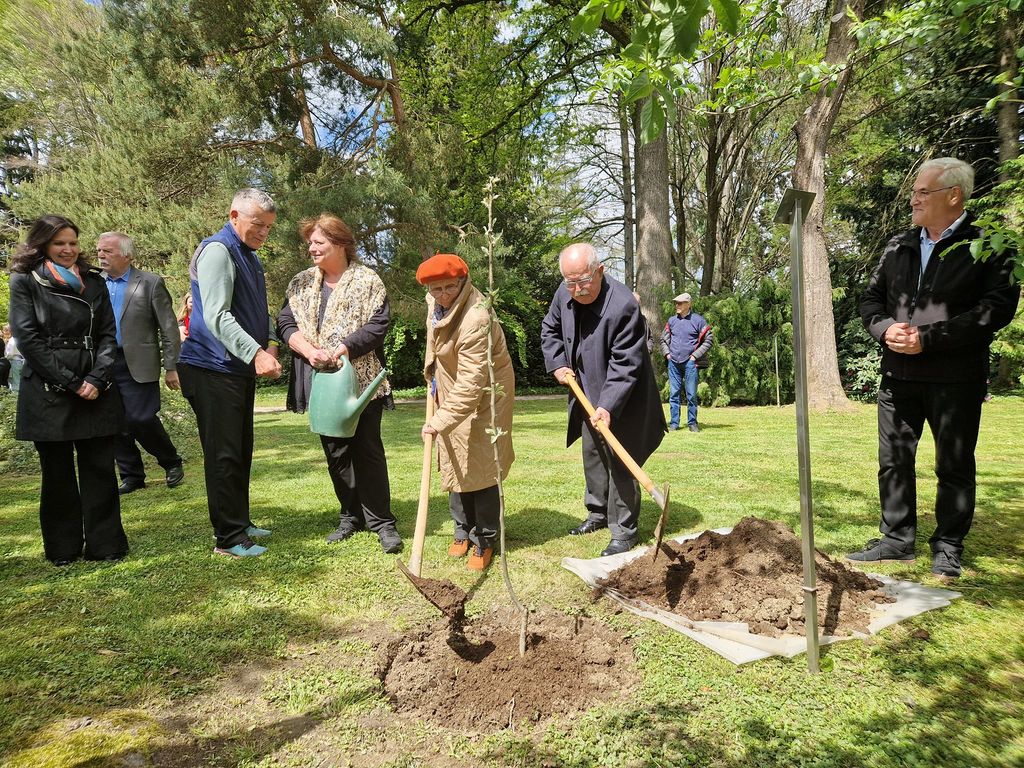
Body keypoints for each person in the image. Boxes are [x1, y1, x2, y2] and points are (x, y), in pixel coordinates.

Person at [849, 157, 1020, 579]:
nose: (913, 199)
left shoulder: (990, 244)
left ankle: (948, 547)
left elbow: (995, 309)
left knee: (953, 465)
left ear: (954, 195)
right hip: (897, 376)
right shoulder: (898, 245)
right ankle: (896, 540)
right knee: (893, 460)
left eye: (923, 192)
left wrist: (929, 338)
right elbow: (870, 300)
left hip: (955, 379)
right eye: (914, 192)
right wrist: (885, 329)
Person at [7, 215, 128, 565]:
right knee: (57, 472)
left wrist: (97, 379)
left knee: (100, 468)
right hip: (49, 388)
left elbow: (108, 335)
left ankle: (106, 544)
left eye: (73, 242)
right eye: (59, 243)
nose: (68, 249)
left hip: (96, 383)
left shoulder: (94, 281)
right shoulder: (25, 280)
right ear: (43, 244)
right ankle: (63, 547)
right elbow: (27, 338)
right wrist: (72, 382)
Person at [277, 213, 401, 554]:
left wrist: (345, 347)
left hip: (361, 381)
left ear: (341, 243)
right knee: (336, 453)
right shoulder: (301, 283)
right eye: (310, 243)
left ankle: (382, 522)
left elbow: (378, 325)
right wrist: (308, 350)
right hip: (321, 382)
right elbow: (285, 322)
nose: (311, 248)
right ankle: (350, 516)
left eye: (319, 242)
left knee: (368, 450)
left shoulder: (368, 280)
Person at [541, 243, 666, 556]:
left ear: (600, 271)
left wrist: (607, 405)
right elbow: (550, 329)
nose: (578, 289)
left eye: (584, 280)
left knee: (621, 458)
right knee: (593, 453)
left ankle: (624, 531)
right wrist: (558, 364)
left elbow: (626, 365)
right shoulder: (564, 292)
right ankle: (597, 512)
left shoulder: (623, 305)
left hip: (624, 395)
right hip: (585, 389)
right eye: (571, 282)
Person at [177, 189, 282, 558]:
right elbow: (216, 315)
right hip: (211, 367)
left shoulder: (249, 256)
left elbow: (257, 310)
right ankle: (229, 538)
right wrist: (255, 353)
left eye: (268, 227)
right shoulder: (219, 251)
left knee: (240, 450)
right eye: (257, 224)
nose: (263, 232)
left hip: (235, 370)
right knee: (223, 454)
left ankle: (240, 520)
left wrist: (270, 341)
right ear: (234, 215)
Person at [417, 253, 515, 571]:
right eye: (436, 289)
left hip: (487, 393)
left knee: (481, 464)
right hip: (450, 384)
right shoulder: (434, 303)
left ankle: (485, 538)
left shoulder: (477, 317)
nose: (444, 294)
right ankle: (463, 529)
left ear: (463, 281)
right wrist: (431, 374)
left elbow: (472, 384)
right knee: (454, 459)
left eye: (450, 287)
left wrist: (438, 421)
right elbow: (434, 340)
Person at [96, 232, 185, 495]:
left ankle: (171, 461)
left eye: (107, 251)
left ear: (127, 255)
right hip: (102, 362)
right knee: (115, 422)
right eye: (99, 250)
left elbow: (168, 328)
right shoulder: (93, 283)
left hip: (138, 362)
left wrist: (171, 366)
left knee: (141, 418)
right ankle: (132, 476)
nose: (100, 255)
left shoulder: (150, 282)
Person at [660, 292, 712, 432]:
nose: (677, 305)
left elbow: (708, 340)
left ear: (688, 304)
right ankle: (674, 423)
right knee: (674, 394)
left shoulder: (698, 320)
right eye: (676, 303)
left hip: (690, 363)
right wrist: (667, 354)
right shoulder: (672, 321)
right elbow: (663, 339)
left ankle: (692, 423)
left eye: (680, 303)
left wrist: (695, 356)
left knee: (691, 395)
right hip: (673, 363)